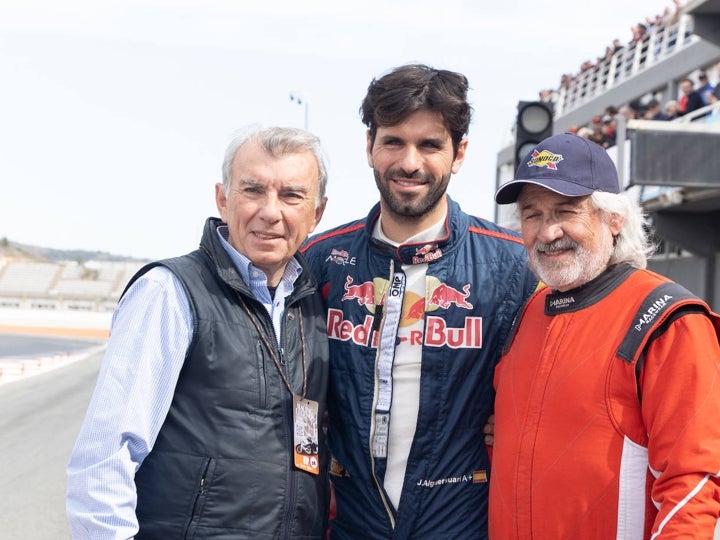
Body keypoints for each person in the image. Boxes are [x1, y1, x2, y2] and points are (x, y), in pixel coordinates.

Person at [301, 64, 538, 539]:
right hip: (347, 521)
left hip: (461, 520)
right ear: (369, 147)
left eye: (430, 145)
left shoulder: (516, 265)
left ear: (458, 154)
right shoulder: (320, 259)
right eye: (393, 141)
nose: (410, 162)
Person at [66, 126, 331, 539]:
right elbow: (104, 458)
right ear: (223, 199)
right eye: (253, 190)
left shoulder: (309, 307)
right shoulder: (169, 292)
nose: (271, 211)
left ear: (317, 213)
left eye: (292, 196)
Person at [490, 133, 720, 538]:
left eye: (566, 211)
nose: (547, 232)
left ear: (614, 219)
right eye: (532, 214)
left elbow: (693, 488)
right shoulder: (527, 312)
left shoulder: (669, 321)